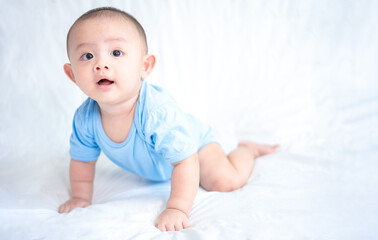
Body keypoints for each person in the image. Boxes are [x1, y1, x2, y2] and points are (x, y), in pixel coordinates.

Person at [58, 6, 279, 232]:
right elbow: (82, 161)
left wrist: (178, 208)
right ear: (72, 74)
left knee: (224, 181)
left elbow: (185, 161)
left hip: (195, 148)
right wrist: (80, 197)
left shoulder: (157, 113)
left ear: (144, 66)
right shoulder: (85, 119)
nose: (101, 64)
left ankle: (246, 150)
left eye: (116, 53)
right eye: (87, 56)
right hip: (163, 167)